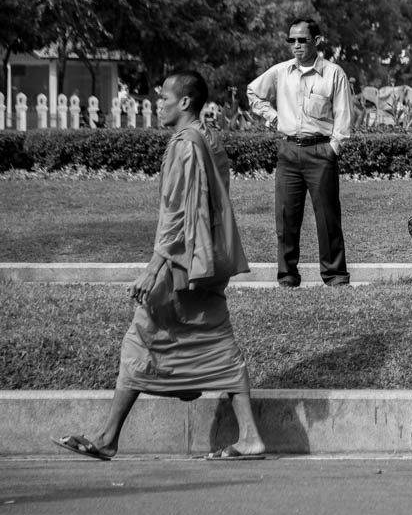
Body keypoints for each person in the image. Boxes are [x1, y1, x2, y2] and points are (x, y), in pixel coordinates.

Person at [53, 71, 266, 462]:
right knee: (217, 343)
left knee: (140, 340)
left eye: (164, 96)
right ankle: (250, 436)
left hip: (182, 261)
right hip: (207, 259)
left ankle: (107, 437)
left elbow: (178, 213)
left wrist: (154, 268)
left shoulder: (186, 145)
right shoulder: (210, 138)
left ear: (185, 102)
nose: (158, 102)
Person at [247, 18, 353, 287]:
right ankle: (287, 276)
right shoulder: (281, 72)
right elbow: (253, 93)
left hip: (321, 152)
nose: (296, 45)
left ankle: (335, 276)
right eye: (291, 40)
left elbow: (343, 116)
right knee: (286, 217)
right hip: (289, 151)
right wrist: (273, 118)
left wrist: (333, 148)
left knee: (328, 218)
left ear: (317, 41)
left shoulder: (333, 73)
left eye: (302, 39)